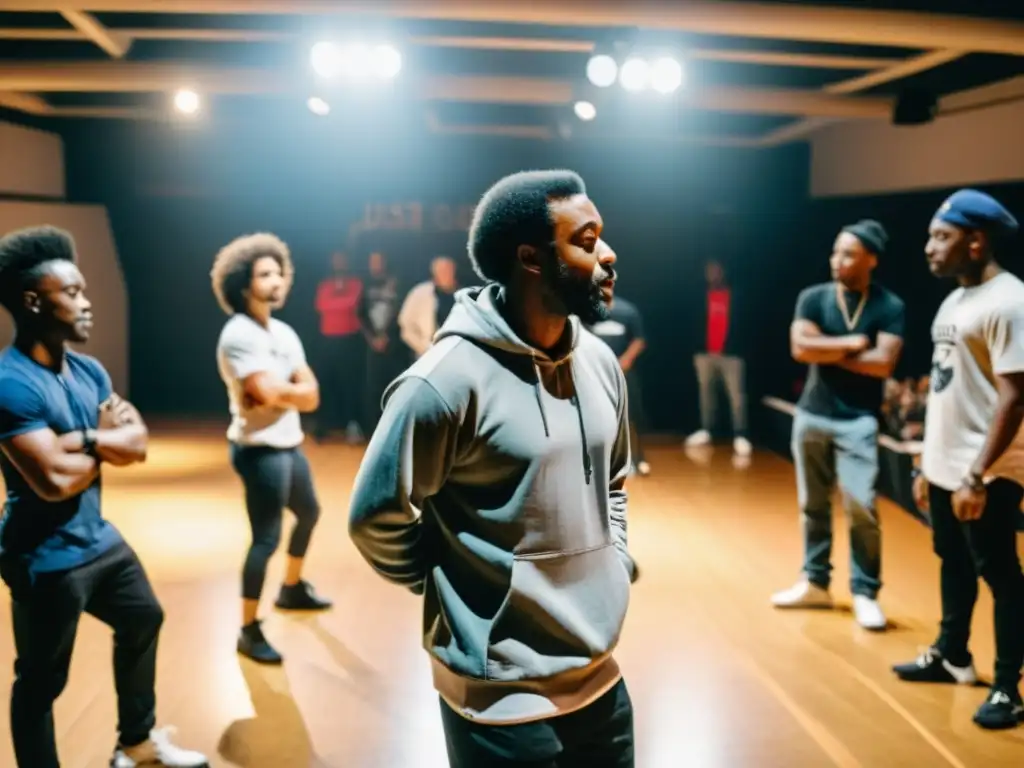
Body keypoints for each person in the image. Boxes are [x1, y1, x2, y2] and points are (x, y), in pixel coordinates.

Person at [349, 170, 639, 768]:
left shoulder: (602, 363)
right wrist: (450, 586)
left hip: (600, 678)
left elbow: (613, 480)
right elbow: (374, 516)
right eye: (586, 241)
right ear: (531, 259)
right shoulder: (444, 381)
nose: (608, 256)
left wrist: (615, 559)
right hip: (499, 700)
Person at [0, 225, 207, 767]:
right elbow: (52, 482)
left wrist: (85, 438)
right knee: (42, 683)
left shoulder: (89, 369)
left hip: (98, 540)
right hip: (44, 557)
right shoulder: (9, 382)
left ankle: (135, 745)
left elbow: (136, 443)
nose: (86, 302)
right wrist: (104, 447)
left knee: (144, 619)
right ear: (32, 301)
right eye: (71, 293)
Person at [893, 189, 1024, 730]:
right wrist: (927, 463)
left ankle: (1007, 688)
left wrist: (977, 474)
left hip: (987, 471)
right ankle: (953, 654)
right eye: (929, 236)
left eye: (941, 237)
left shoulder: (1011, 301)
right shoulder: (953, 301)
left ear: (976, 241)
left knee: (1000, 574)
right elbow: (945, 391)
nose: (930, 247)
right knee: (952, 559)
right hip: (947, 466)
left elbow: (1015, 396)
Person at [772, 220, 905, 631]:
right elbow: (799, 347)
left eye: (848, 254)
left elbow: (883, 363)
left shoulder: (889, 305)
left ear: (871, 259)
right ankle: (816, 583)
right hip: (811, 413)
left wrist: (823, 350)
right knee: (812, 505)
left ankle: (865, 591)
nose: (837, 260)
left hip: (858, 422)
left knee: (861, 504)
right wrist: (851, 344)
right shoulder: (813, 297)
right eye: (835, 252)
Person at [212, 233, 331, 666]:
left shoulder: (283, 331)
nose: (276, 280)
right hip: (259, 449)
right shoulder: (238, 335)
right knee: (265, 539)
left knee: (310, 512)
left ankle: (292, 589)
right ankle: (248, 628)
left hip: (287, 443)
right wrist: (284, 391)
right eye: (265, 274)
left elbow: (311, 394)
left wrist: (283, 393)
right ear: (244, 284)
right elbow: (263, 390)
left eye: (279, 272)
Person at [684, 260, 751, 457]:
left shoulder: (736, 296)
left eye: (716, 271)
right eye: (709, 271)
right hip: (705, 354)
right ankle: (707, 430)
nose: (712, 275)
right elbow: (693, 322)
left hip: (731, 354)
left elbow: (746, 323)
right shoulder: (700, 297)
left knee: (737, 395)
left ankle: (741, 434)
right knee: (706, 394)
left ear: (723, 272)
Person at [586, 278, 651, 476]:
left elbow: (639, 340)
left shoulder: (627, 311)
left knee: (632, 416)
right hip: (594, 373)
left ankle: (638, 460)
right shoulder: (589, 310)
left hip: (623, 373)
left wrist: (625, 360)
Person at [313, 250, 364, 442]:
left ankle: (352, 425)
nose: (339, 264)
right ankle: (321, 425)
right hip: (327, 340)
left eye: (342, 260)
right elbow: (321, 305)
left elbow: (352, 302)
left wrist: (336, 302)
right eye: (336, 260)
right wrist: (340, 303)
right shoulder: (324, 285)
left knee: (349, 384)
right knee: (324, 382)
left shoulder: (355, 283)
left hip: (349, 340)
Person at [358, 250, 401, 434]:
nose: (375, 265)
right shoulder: (365, 285)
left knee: (394, 387)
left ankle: (393, 431)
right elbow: (360, 315)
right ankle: (372, 432)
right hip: (372, 345)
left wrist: (388, 337)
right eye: (372, 261)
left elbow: (401, 312)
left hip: (393, 345)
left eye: (378, 261)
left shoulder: (396, 283)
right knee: (373, 388)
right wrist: (373, 339)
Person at [397, 255, 458, 360]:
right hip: (427, 356)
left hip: (456, 354)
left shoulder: (464, 294)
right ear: (435, 273)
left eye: (449, 270)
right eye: (442, 271)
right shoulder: (420, 293)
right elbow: (405, 326)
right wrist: (425, 348)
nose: (446, 274)